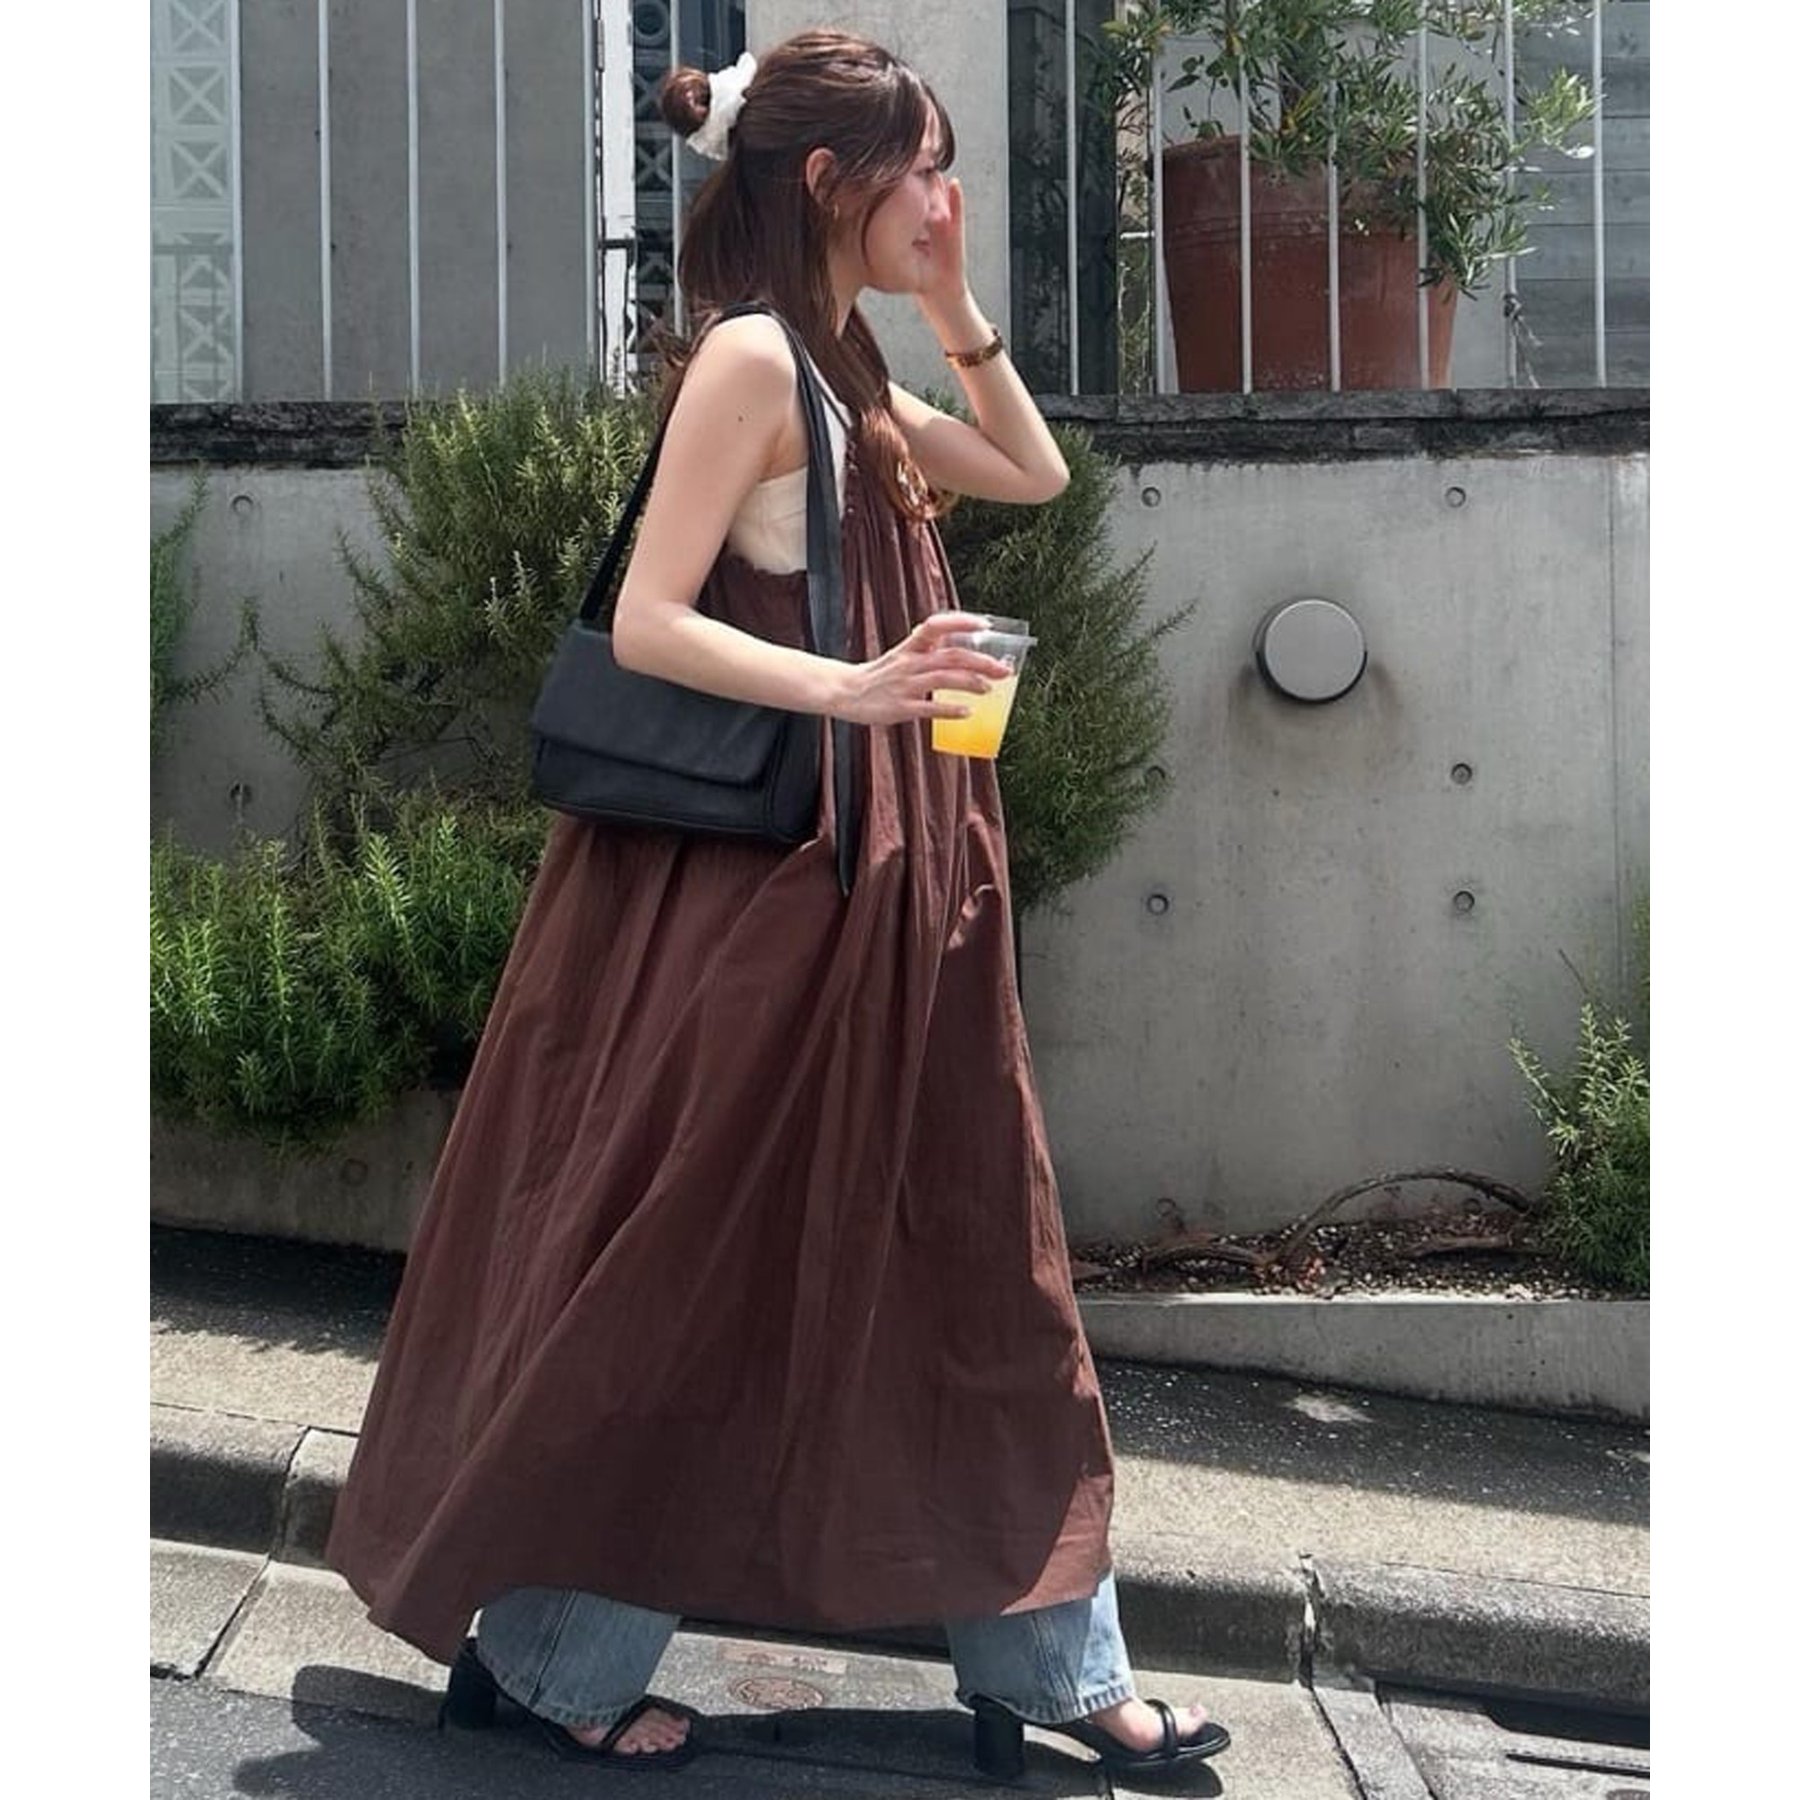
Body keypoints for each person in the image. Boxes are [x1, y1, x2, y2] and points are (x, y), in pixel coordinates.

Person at [325, 28, 1229, 1779]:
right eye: (922, 170)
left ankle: (1052, 1662)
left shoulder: (848, 365)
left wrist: (952, 301)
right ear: (827, 179)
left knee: (965, 1253)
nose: (944, 196)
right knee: (704, 1272)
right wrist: (854, 685)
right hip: (781, 900)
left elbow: (1034, 470)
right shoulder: (753, 362)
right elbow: (651, 617)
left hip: (896, 890)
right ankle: (556, 1655)